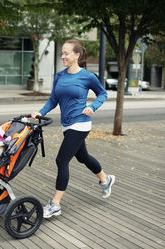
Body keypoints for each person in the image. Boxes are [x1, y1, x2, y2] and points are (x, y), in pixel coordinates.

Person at [31, 39, 115, 219]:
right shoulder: (60, 76)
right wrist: (40, 112)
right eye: (62, 53)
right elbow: (53, 100)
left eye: (66, 53)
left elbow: (103, 93)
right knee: (83, 157)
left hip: (81, 123)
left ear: (77, 55)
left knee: (62, 160)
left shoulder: (87, 76)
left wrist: (93, 107)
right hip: (67, 125)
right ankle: (105, 180)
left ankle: (55, 204)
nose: (63, 56)